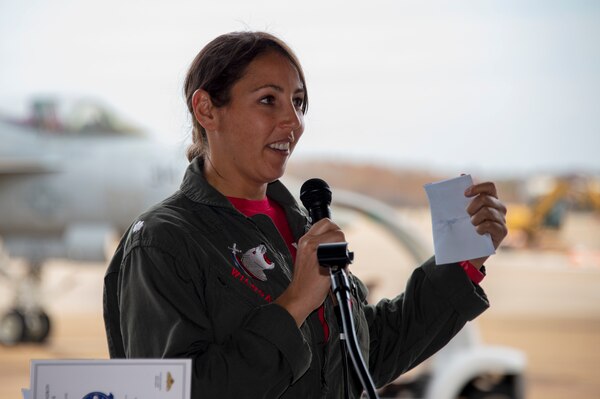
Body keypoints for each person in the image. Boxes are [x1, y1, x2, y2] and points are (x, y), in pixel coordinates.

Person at [103, 31, 508, 398]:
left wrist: (462, 264)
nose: (292, 122)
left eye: (298, 103)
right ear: (207, 109)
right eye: (268, 100)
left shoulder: (299, 226)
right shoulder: (162, 242)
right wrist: (294, 303)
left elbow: (364, 358)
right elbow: (174, 392)